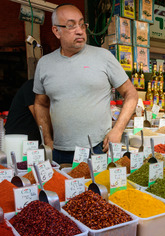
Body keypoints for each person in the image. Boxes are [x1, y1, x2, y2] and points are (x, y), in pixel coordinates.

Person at [33, 4, 138, 164]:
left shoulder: (103, 57)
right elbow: (40, 104)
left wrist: (117, 129)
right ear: (56, 31)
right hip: (59, 151)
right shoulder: (44, 64)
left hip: (98, 148)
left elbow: (131, 94)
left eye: (82, 24)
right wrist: (47, 139)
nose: (80, 30)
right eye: (70, 25)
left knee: (97, 189)